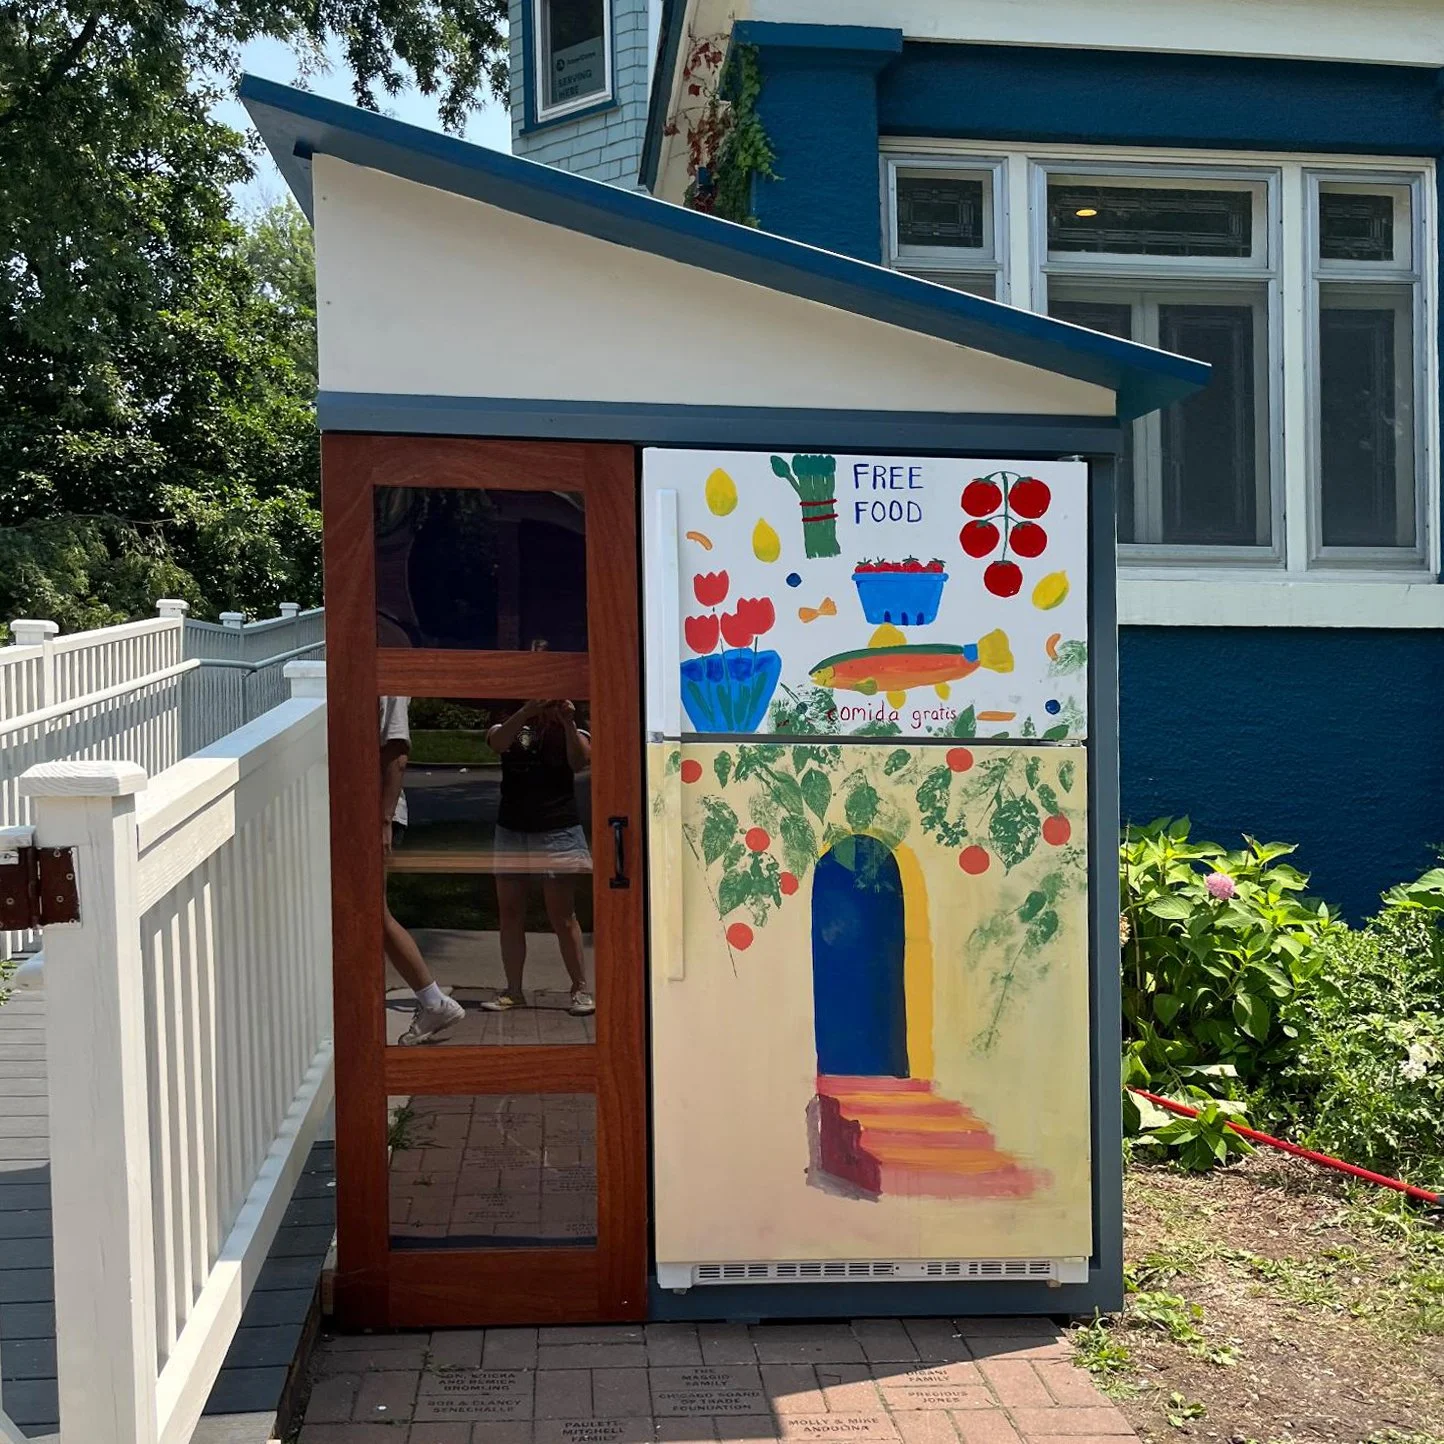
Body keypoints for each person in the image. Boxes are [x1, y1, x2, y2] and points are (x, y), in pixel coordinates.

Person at [480, 697, 595, 1016]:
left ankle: (580, 989)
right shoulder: (505, 710)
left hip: (557, 826)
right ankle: (513, 990)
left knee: (562, 915)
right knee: (511, 911)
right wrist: (527, 711)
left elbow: (580, 761)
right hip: (512, 826)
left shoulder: (571, 711)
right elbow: (498, 743)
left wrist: (569, 722)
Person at [381, 695, 466, 1045]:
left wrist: (383, 819)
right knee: (365, 915)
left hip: (375, 813)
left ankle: (433, 1001)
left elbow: (397, 751)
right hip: (358, 808)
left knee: (372, 913)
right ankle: (433, 1002)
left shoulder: (386, 685)